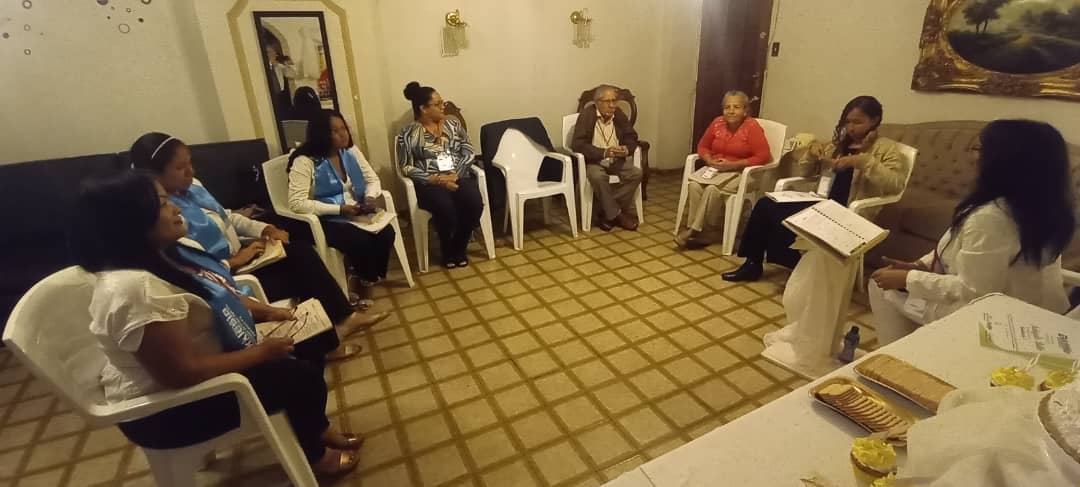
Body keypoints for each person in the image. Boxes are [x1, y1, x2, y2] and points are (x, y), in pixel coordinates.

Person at [74, 171, 362, 476]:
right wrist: (260, 353)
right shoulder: (136, 291)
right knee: (299, 377)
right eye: (163, 204)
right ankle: (315, 455)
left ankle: (315, 427)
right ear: (132, 221)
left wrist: (267, 312)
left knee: (310, 341)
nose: (177, 208)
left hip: (199, 362)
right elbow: (181, 373)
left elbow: (218, 295)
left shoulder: (166, 254)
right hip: (166, 410)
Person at [130, 132, 386, 351]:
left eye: (190, 163)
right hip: (227, 279)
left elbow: (228, 217)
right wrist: (234, 261)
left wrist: (265, 228)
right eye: (180, 168)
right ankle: (322, 343)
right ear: (154, 176)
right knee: (302, 272)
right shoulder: (161, 217)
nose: (191, 172)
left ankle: (342, 320)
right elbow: (189, 268)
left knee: (301, 252)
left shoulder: (193, 187)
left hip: (244, 257)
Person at [869, 120, 1073, 345]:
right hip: (1044, 314)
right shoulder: (1046, 208)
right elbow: (954, 245)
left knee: (880, 286)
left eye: (980, 149)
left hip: (997, 324)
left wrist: (908, 278)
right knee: (894, 283)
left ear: (1004, 161)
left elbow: (975, 291)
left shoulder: (991, 217)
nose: (973, 157)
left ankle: (897, 360)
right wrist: (921, 266)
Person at [722, 95, 909, 282]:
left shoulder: (885, 148)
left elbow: (896, 184)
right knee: (766, 204)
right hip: (823, 201)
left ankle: (800, 268)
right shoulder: (839, 144)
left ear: (874, 120)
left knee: (794, 217)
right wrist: (811, 153)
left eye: (858, 122)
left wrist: (863, 162)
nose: (851, 128)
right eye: (848, 122)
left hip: (850, 211)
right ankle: (752, 264)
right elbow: (805, 172)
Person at [288, 110, 397, 300]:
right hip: (324, 217)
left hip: (354, 210)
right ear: (321, 134)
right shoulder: (305, 161)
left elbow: (372, 179)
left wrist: (369, 197)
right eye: (335, 131)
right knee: (358, 240)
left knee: (387, 233)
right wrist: (339, 209)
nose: (343, 134)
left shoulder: (351, 152)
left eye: (344, 128)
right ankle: (360, 278)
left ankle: (367, 277)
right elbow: (297, 203)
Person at [396, 81, 484, 268]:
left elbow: (468, 152)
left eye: (442, 102)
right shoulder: (408, 134)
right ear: (423, 108)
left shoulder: (453, 125)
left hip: (457, 176)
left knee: (474, 202)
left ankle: (459, 245)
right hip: (430, 183)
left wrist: (455, 175)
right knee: (445, 208)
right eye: (438, 104)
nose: (443, 106)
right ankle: (447, 249)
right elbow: (406, 166)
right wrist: (434, 179)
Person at [677, 90, 772, 249]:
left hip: (742, 172)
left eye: (736, 107)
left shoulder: (752, 127)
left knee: (712, 190)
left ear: (745, 110)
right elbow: (703, 146)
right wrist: (709, 159)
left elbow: (763, 156)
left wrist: (734, 165)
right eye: (727, 107)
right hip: (717, 169)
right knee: (694, 185)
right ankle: (704, 231)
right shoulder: (717, 123)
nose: (731, 111)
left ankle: (694, 230)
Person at [570, 84, 643, 231]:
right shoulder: (586, 115)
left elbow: (631, 136)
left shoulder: (618, 114)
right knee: (597, 177)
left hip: (617, 160)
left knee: (636, 173)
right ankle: (618, 215)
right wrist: (604, 152)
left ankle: (606, 212)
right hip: (595, 161)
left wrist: (626, 149)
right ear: (597, 102)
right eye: (607, 101)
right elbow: (578, 144)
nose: (612, 105)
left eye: (614, 100)